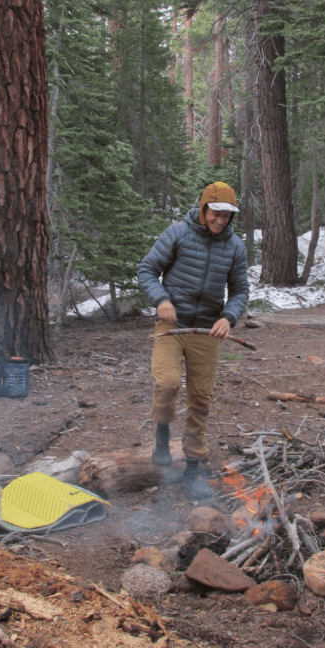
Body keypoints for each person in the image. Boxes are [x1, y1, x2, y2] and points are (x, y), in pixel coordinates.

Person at [137, 182, 249, 499]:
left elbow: (240, 291)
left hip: (207, 330)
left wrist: (228, 318)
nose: (221, 220)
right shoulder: (178, 233)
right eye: (216, 213)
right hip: (172, 324)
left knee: (201, 399)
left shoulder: (235, 247)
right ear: (203, 209)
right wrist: (160, 299)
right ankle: (161, 433)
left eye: (227, 215)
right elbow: (147, 269)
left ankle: (191, 471)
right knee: (168, 381)